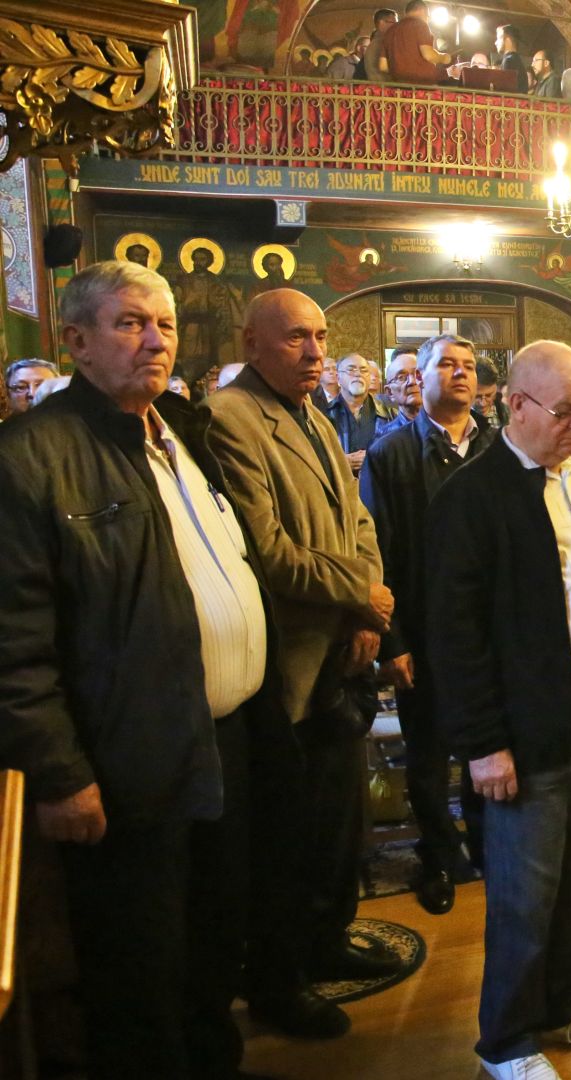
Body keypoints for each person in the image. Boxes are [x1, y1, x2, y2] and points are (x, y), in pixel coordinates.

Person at [0, 260, 284, 1078]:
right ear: (76, 341)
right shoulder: (32, 456)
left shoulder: (178, 434)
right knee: (139, 970)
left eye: (162, 324)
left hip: (221, 738)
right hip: (126, 759)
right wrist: (60, 774)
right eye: (130, 323)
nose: (155, 339)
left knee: (210, 949)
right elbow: (15, 641)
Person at [426, 341, 571, 1080]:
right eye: (567, 410)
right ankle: (507, 1040)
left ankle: (560, 1008)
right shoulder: (474, 495)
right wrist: (482, 743)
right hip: (527, 731)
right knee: (525, 895)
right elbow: (455, 636)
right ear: (515, 404)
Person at [206, 288, 398, 1039]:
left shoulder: (315, 416)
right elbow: (269, 552)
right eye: (297, 339)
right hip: (285, 664)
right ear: (251, 341)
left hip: (341, 649)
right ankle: (279, 979)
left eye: (321, 337)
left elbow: (359, 523)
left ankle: (327, 939)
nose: (316, 353)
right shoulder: (231, 419)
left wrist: (366, 607)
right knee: (284, 836)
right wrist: (366, 597)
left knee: (335, 823)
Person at [359, 334, 498, 915]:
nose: (460, 373)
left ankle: (490, 847)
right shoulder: (391, 455)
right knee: (428, 752)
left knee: (488, 746)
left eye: (469, 366)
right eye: (448, 364)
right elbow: (377, 553)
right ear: (421, 378)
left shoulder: (500, 447)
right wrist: (393, 641)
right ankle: (439, 854)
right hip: (424, 630)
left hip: (492, 634)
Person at [327, 352, 390, 470]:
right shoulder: (324, 415)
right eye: (351, 370)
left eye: (364, 370)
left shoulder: (388, 413)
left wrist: (374, 459)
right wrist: (341, 462)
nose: (358, 374)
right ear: (338, 378)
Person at [380, 0, 450, 85]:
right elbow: (428, 55)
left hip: (399, 89)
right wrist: (444, 58)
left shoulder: (390, 30)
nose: (428, 19)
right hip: (422, 88)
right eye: (428, 16)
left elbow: (383, 66)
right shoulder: (420, 24)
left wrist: (401, 73)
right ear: (422, 11)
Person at [378, 349, 423, 434]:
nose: (412, 381)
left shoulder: (448, 427)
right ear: (390, 392)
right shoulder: (384, 438)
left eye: (417, 374)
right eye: (401, 377)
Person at [364, 7, 397, 80]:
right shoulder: (381, 43)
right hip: (385, 88)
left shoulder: (377, 42)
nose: (396, 26)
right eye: (393, 23)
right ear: (381, 23)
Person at [494, 24, 529, 93]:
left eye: (499, 38)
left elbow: (505, 91)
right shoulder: (516, 60)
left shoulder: (509, 60)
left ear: (507, 40)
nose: (495, 43)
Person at [475, 360, 509, 429]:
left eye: (488, 395)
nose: (483, 403)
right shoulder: (456, 415)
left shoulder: (508, 411)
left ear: (496, 389)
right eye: (477, 396)